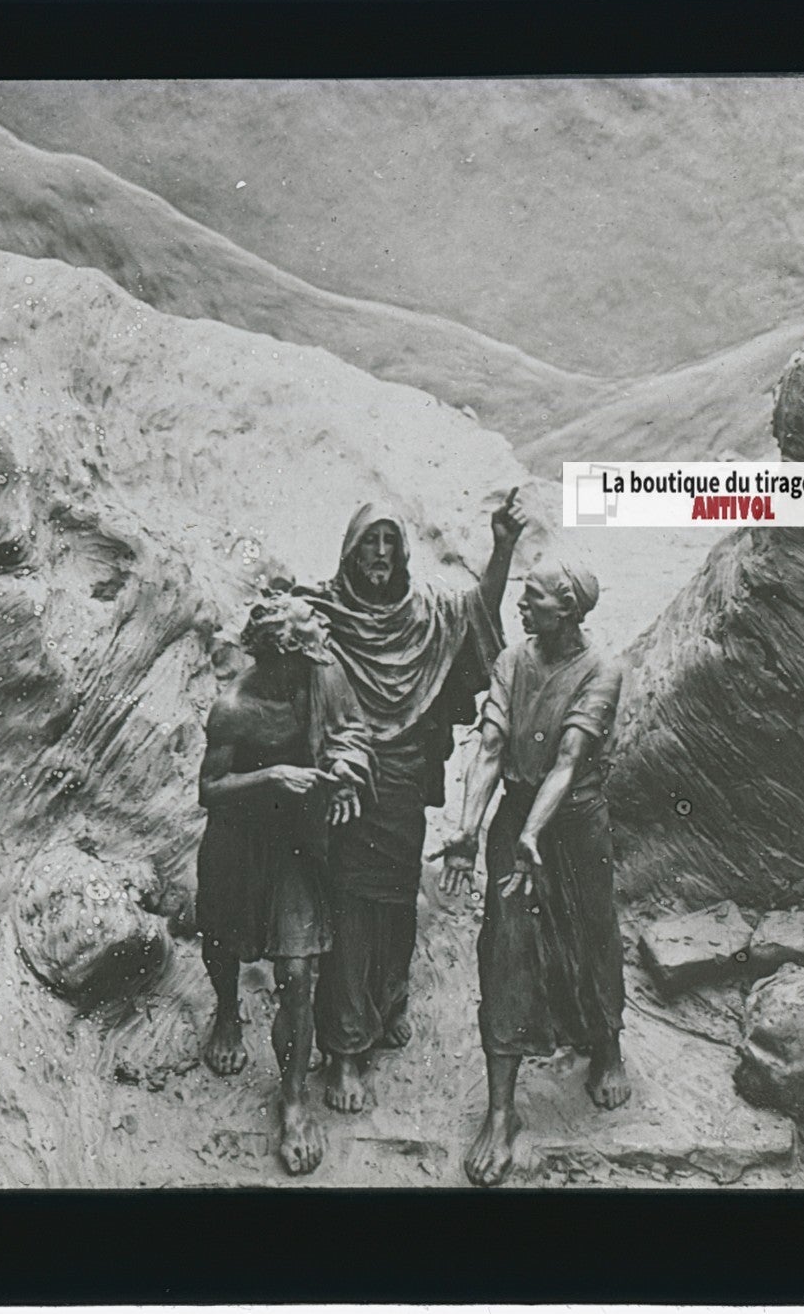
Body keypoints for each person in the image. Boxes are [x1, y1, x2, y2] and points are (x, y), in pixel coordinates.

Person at [299, 491, 526, 1112]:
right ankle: (345, 1048)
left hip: (402, 781)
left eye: (389, 542)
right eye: (369, 542)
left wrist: (501, 550)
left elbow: (479, 613)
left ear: (401, 552)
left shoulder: (425, 613)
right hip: (346, 784)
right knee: (349, 908)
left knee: (397, 899)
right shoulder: (324, 614)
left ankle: (390, 999)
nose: (379, 554)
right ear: (350, 550)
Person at [437, 561, 631, 1188]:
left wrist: (532, 834)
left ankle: (606, 1045)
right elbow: (492, 747)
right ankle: (500, 1113)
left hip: (574, 824)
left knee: (590, 934)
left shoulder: (602, 669)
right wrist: (468, 829)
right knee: (506, 946)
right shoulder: (513, 661)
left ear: (567, 610)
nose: (522, 610)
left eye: (533, 601)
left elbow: (570, 760)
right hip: (516, 815)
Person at [195, 592, 374, 1176]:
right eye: (308, 636)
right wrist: (271, 773)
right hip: (238, 843)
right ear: (281, 655)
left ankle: (293, 1101)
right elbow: (210, 790)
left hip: (294, 844)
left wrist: (345, 775)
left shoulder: (322, 674)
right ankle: (227, 1011)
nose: (322, 639)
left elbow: (351, 732)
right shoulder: (233, 709)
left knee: (297, 973)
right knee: (222, 944)